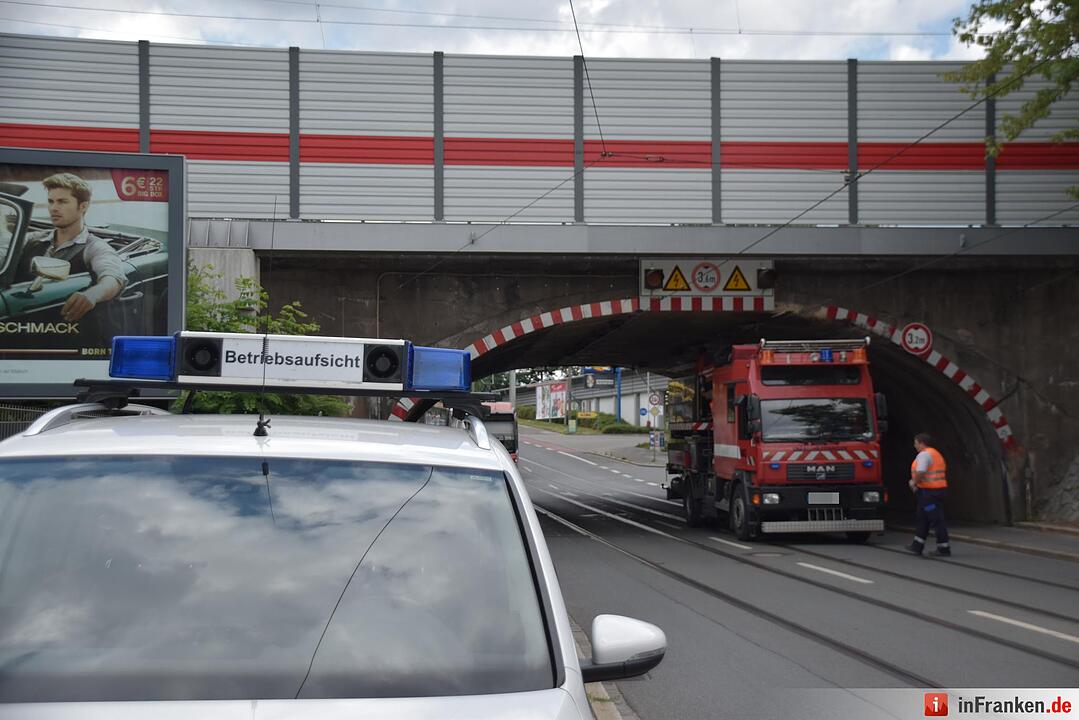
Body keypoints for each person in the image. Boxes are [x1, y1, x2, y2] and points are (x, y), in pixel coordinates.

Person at [17, 173, 126, 322]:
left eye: (62, 202)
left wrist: (92, 295)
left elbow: (113, 278)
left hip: (63, 322)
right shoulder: (32, 239)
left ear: (83, 206)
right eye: (51, 201)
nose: (53, 208)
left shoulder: (94, 247)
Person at [907, 432, 951, 556]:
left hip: (929, 494)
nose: (915, 446)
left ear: (922, 443)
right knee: (922, 517)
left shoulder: (924, 455)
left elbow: (921, 471)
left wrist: (913, 482)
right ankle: (917, 545)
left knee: (935, 519)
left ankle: (943, 548)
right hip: (934, 491)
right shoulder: (935, 453)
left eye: (916, 443)